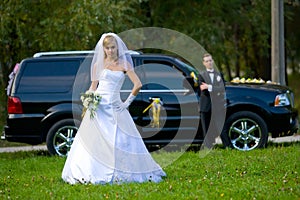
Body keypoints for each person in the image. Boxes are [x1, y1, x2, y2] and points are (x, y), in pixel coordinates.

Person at [62, 33, 166, 184]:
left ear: (117, 48)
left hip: (115, 106)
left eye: (113, 47)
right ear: (103, 49)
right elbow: (93, 86)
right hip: (98, 108)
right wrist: (89, 100)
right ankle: (89, 170)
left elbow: (138, 84)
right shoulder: (98, 65)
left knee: (122, 139)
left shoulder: (124, 64)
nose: (110, 51)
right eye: (107, 48)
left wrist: (126, 103)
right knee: (93, 140)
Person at [198, 53, 225, 149]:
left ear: (212, 61)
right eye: (207, 61)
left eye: (210, 60)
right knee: (206, 127)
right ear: (204, 63)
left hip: (217, 105)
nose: (209, 62)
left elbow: (222, 88)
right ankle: (208, 147)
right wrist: (215, 88)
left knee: (220, 125)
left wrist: (209, 86)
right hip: (205, 105)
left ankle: (226, 145)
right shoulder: (201, 75)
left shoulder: (219, 74)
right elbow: (203, 90)